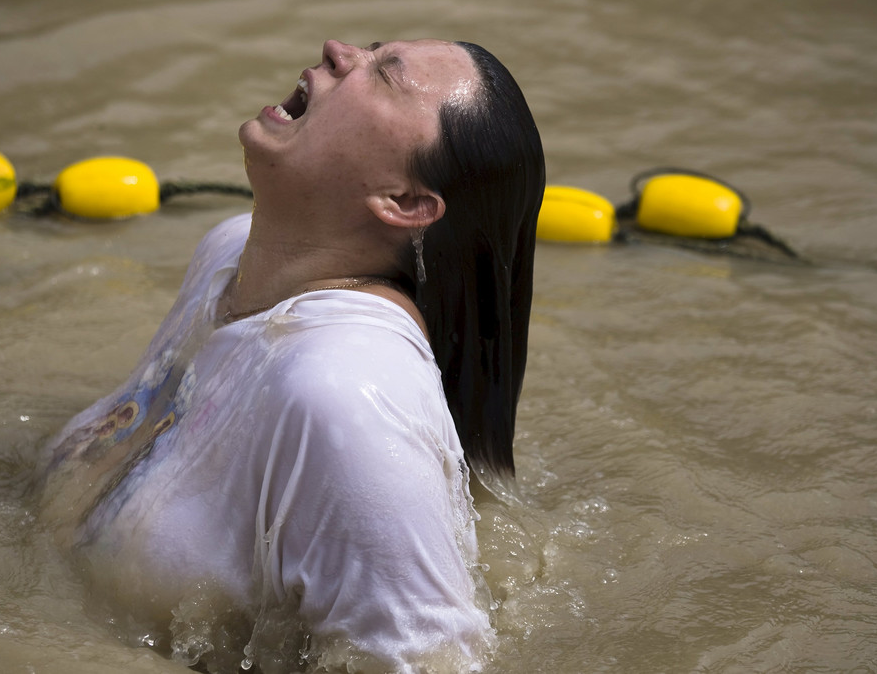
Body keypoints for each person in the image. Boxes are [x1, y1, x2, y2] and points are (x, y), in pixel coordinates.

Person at [38, 38, 544, 673]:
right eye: (372, 47)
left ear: (405, 203)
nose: (338, 50)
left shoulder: (344, 392)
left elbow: (428, 662)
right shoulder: (229, 254)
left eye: (386, 74)